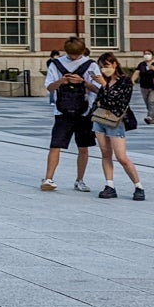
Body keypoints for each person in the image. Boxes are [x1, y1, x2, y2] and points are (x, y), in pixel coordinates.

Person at [42, 37, 100, 193]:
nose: (74, 58)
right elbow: (49, 87)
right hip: (62, 110)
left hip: (84, 111)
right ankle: (48, 178)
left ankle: (80, 180)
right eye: (71, 55)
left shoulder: (91, 65)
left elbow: (99, 89)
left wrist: (82, 82)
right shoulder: (56, 64)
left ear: (82, 52)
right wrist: (61, 81)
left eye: (77, 55)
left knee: (83, 147)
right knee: (55, 145)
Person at [90, 53, 145, 201]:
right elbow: (100, 100)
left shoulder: (125, 81)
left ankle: (138, 186)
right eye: (101, 67)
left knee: (121, 157)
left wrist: (104, 85)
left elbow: (118, 101)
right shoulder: (105, 81)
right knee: (105, 153)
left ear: (115, 64)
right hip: (100, 119)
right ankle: (109, 185)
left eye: (106, 66)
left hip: (116, 121)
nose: (104, 69)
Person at [135, 51, 154, 125]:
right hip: (144, 86)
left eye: (148, 54)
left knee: (151, 101)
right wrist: (132, 81)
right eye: (145, 54)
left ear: (152, 55)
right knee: (147, 103)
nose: (146, 55)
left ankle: (150, 117)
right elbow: (137, 73)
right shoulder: (141, 64)